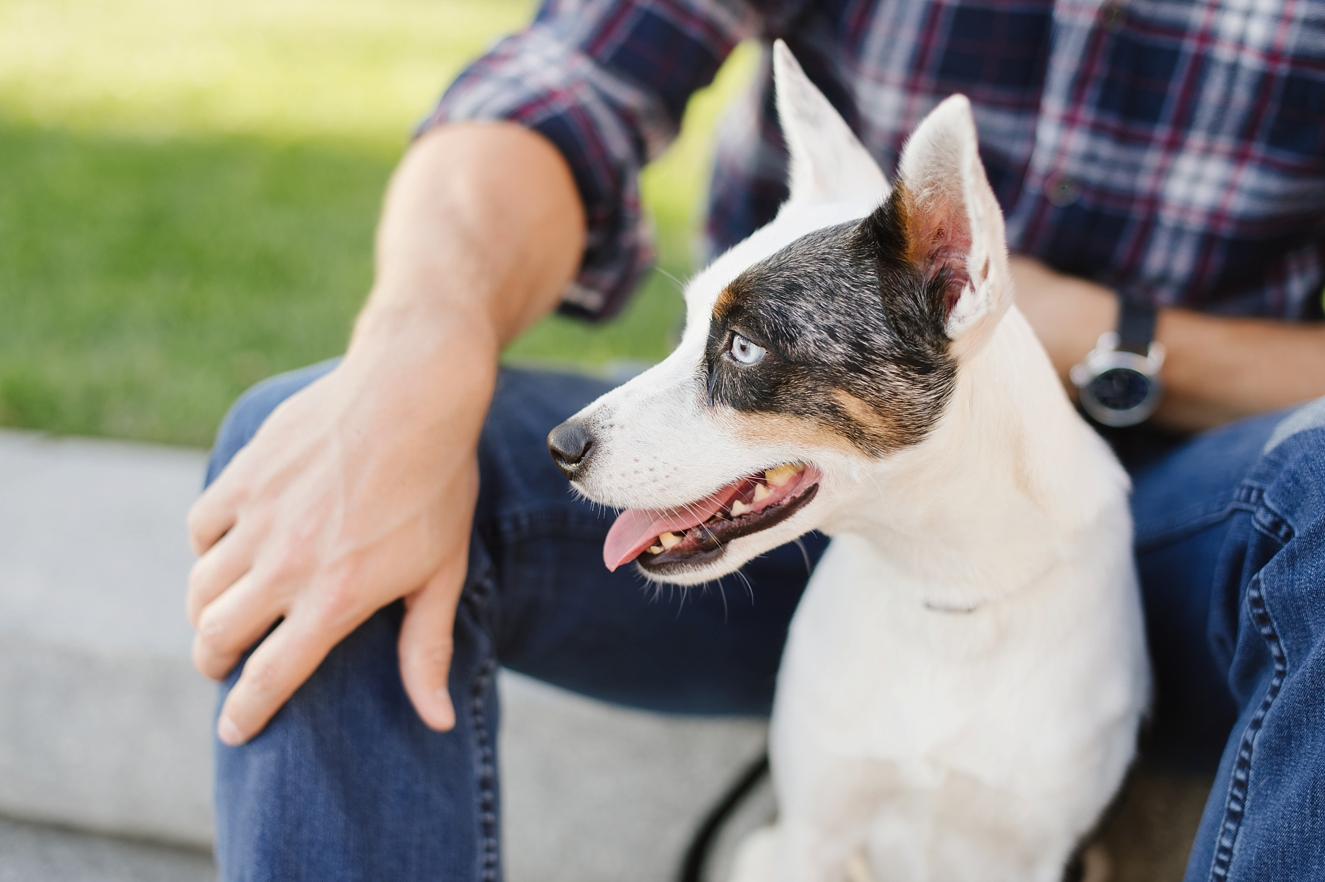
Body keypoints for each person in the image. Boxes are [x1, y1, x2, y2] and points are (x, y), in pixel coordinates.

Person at [185, 0, 1325, 879]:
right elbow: (562, 79)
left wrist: (1110, 334)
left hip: (1186, 519)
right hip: (821, 505)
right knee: (301, 441)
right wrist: (413, 351)